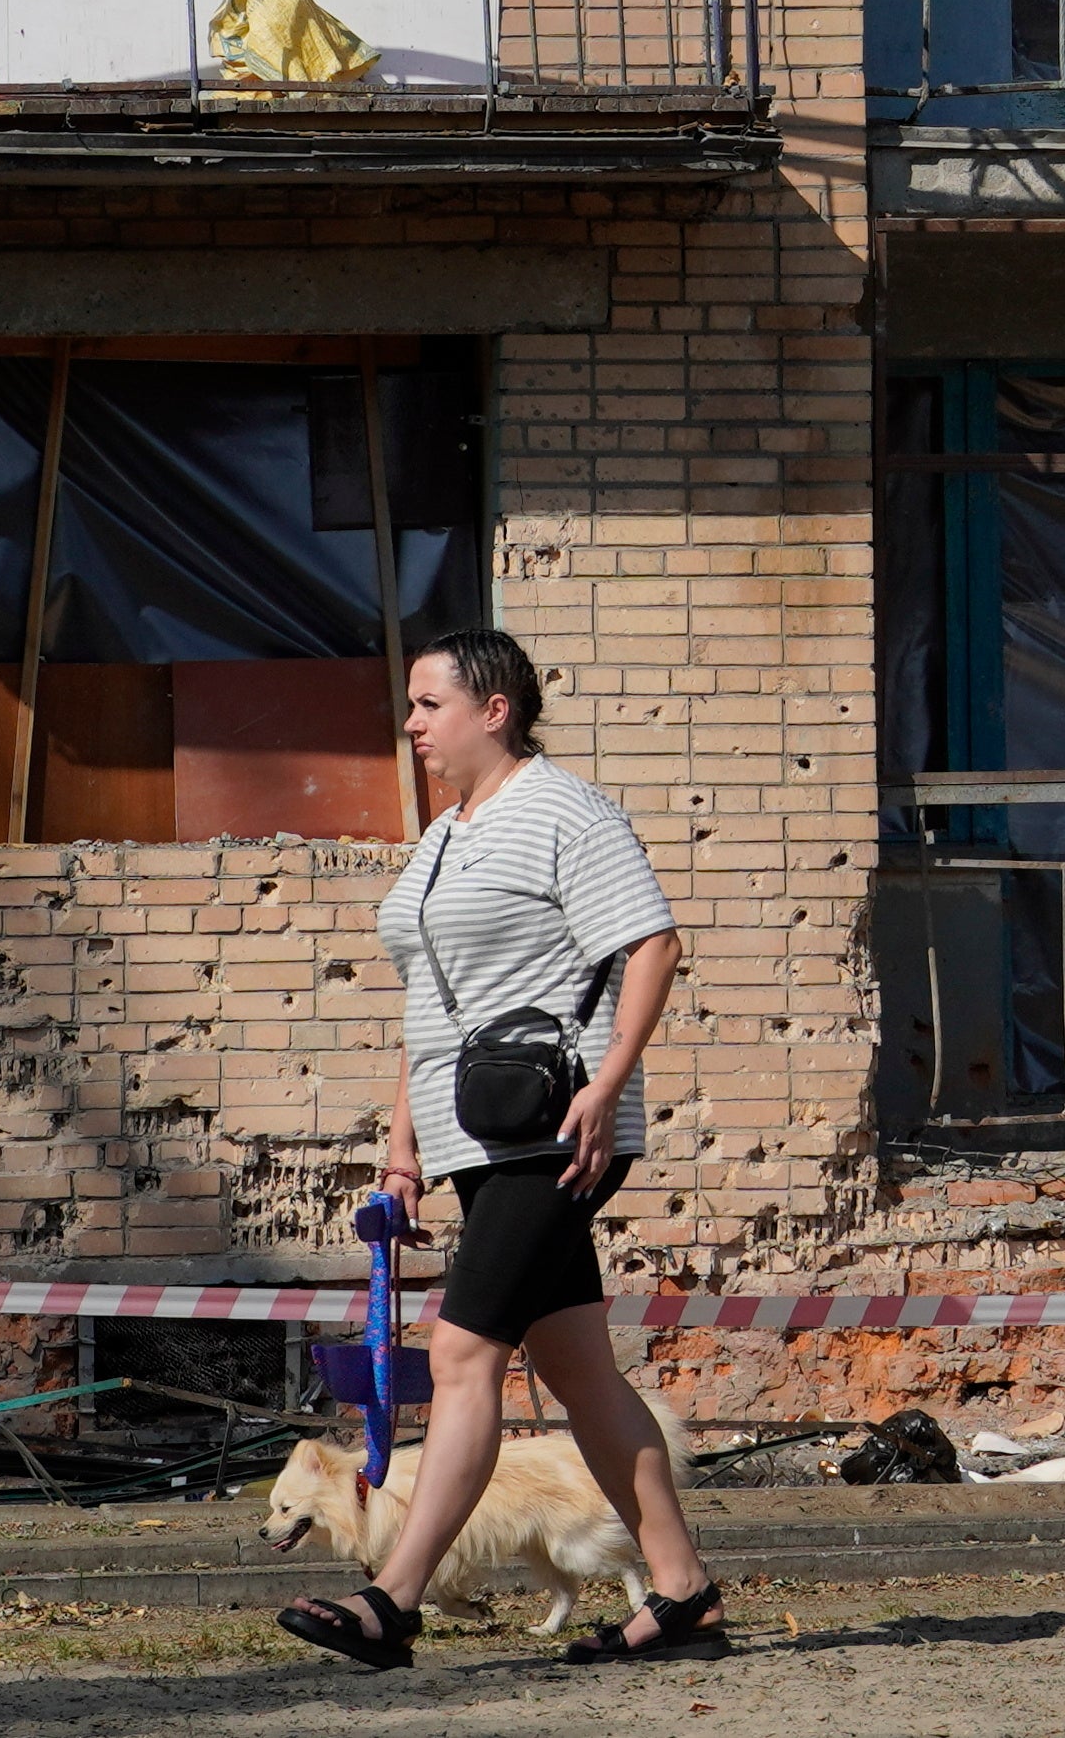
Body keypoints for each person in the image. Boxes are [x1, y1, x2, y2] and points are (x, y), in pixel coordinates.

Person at [278, 632, 723, 1671]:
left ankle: (394, 1599)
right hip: (471, 1132)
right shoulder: (443, 837)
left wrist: (607, 1088)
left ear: (495, 708)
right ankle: (684, 1589)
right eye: (411, 706)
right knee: (581, 1375)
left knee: (465, 1353)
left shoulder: (565, 809)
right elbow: (430, 1009)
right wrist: (402, 1147)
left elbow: (651, 943)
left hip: (555, 1131)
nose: (412, 724)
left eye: (429, 703)